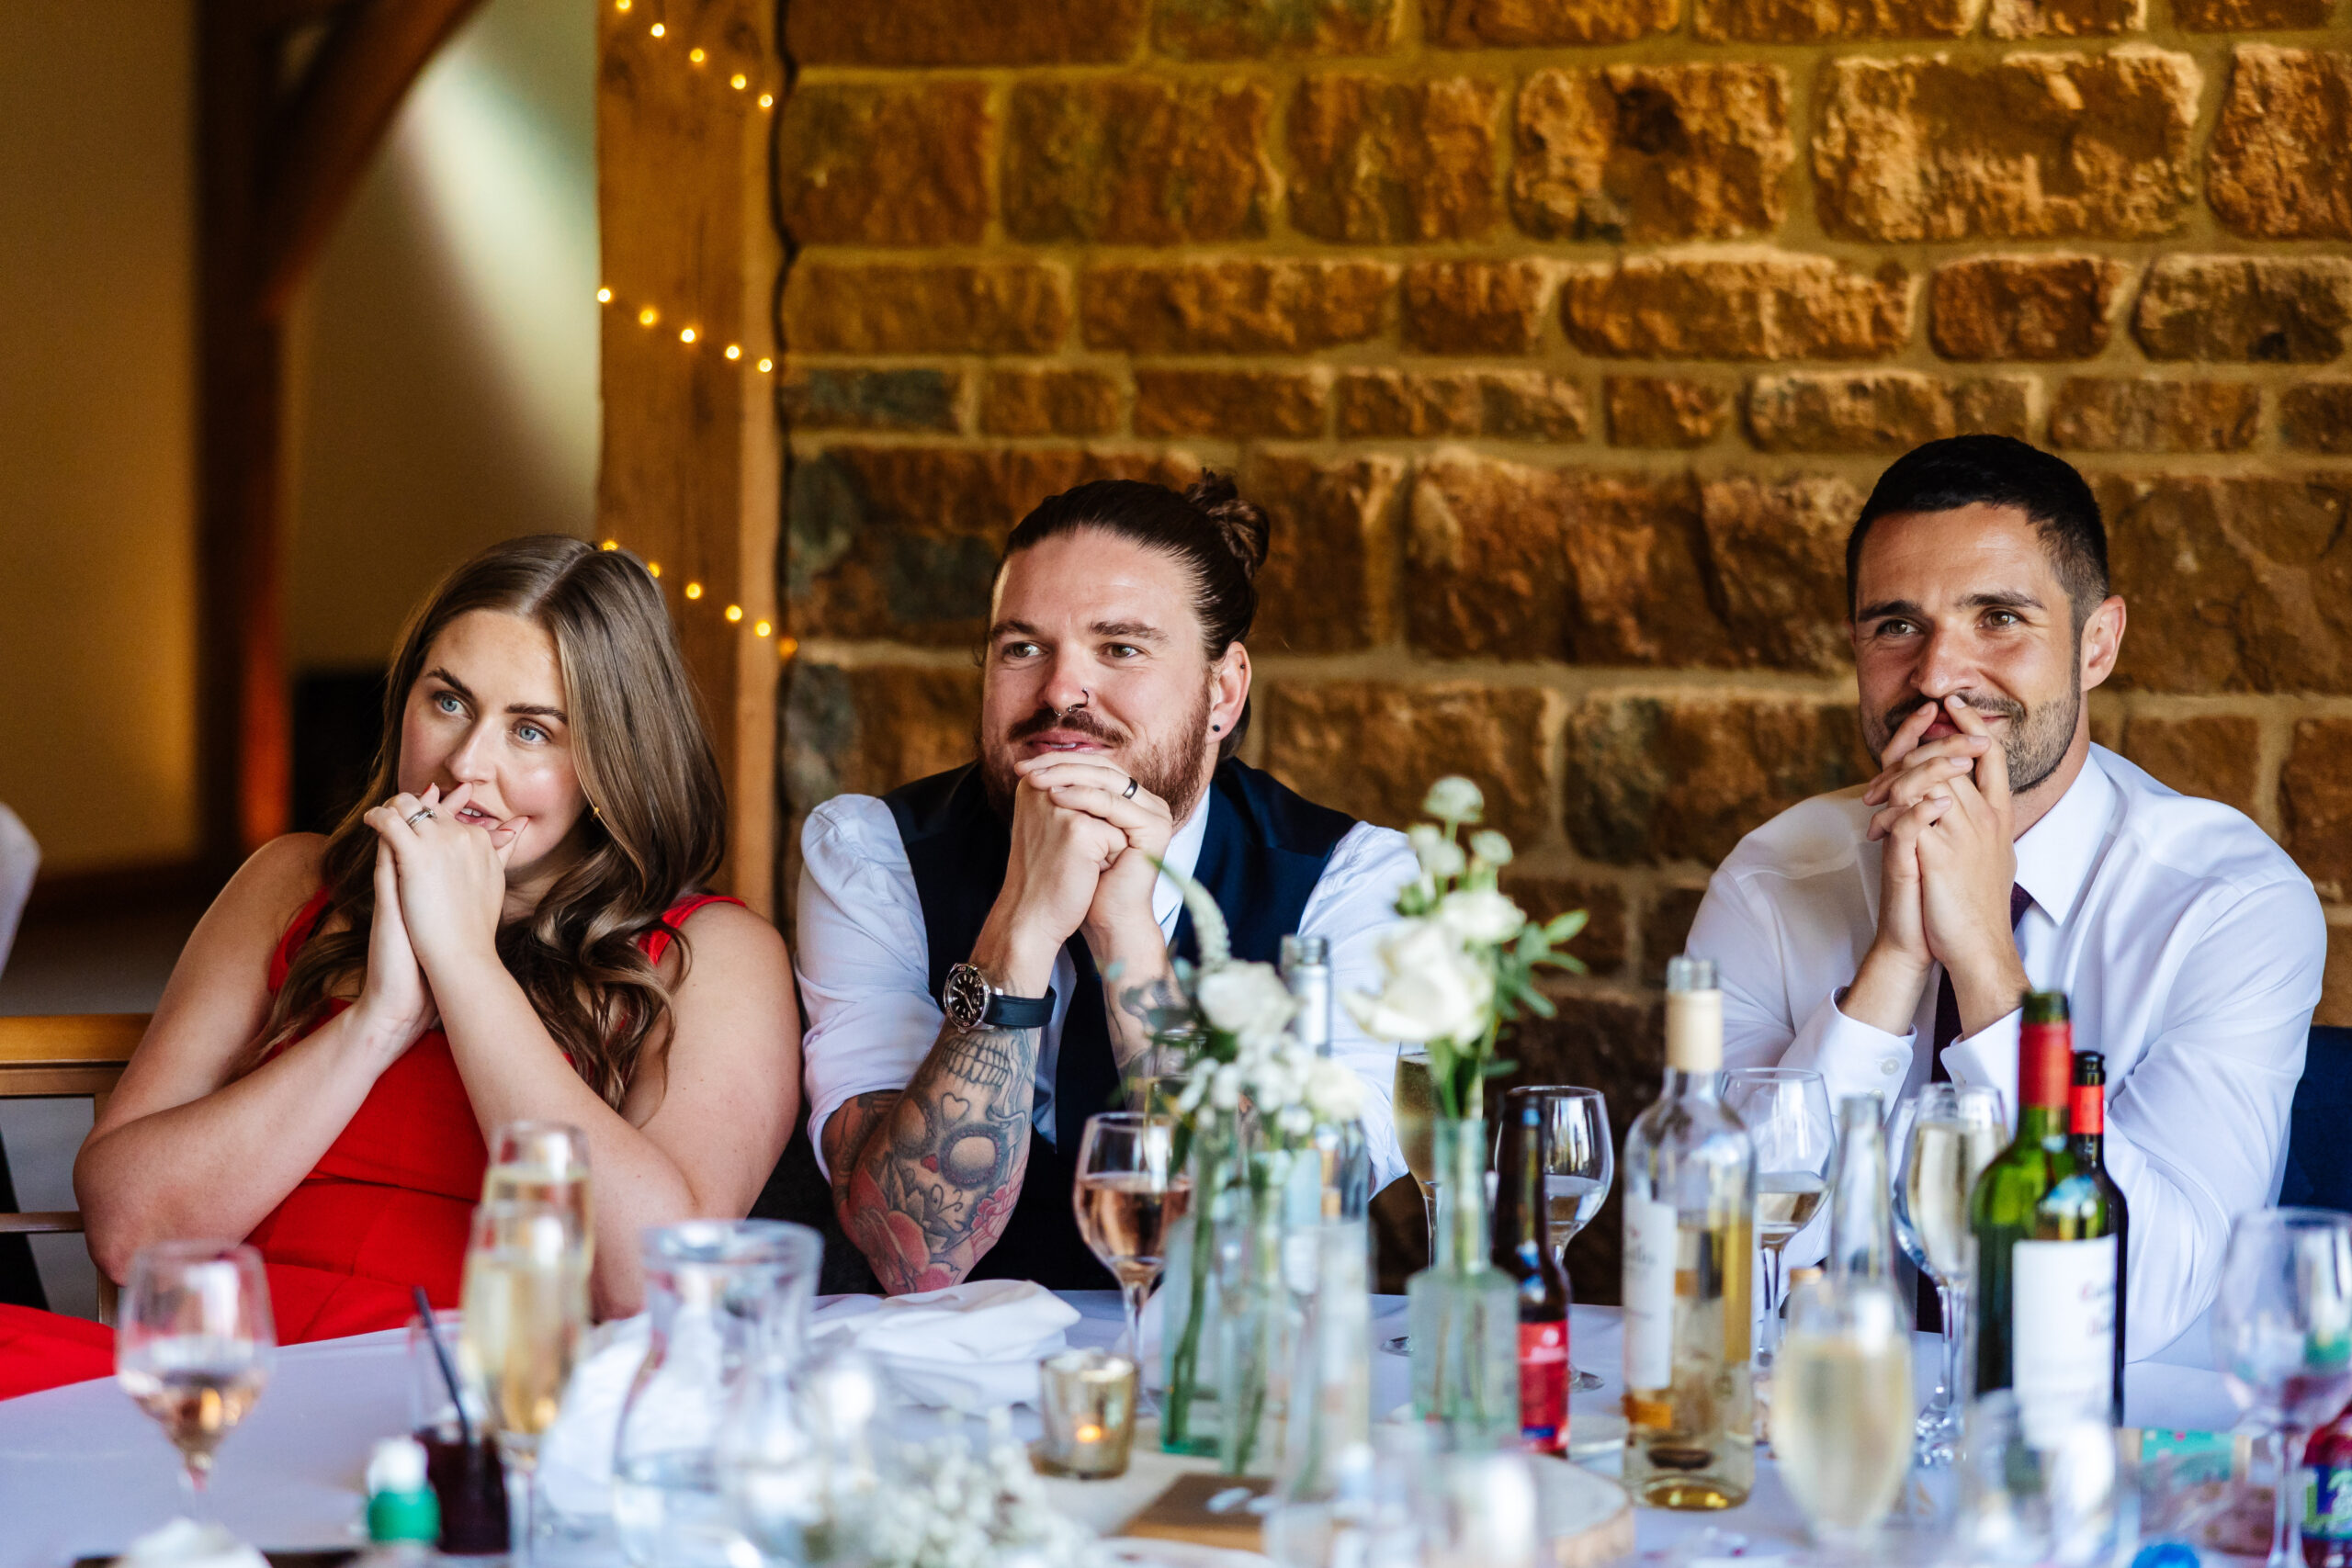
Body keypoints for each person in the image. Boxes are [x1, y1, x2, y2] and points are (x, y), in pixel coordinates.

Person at [0, 536, 800, 1391]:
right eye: (449, 702)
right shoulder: (291, 881)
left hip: (473, 1403)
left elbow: (646, 1286)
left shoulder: (710, 953)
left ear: (613, 759)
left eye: (531, 730)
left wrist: (464, 968)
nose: (466, 763)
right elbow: (127, 1227)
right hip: (222, 1380)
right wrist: (379, 1018)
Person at [1690, 434, 2325, 1360]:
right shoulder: (1771, 880)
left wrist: (1985, 962)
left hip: (2111, 1456)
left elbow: (2142, 1305)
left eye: (1998, 618)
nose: (1939, 674)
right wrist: (1896, 966)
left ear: (2096, 643)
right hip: (1832, 1440)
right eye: (1895, 626)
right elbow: (1710, 1270)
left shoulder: (2226, 904)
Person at [796, 474, 1415, 1294]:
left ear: (1223, 689)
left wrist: (1127, 934)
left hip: (1238, 1392)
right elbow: (914, 1253)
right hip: (949, 1390)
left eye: (1120, 647)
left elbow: (1273, 1237)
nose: (1059, 690)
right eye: (1022, 647)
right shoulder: (872, 854)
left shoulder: (1352, 882)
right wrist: (1019, 930)